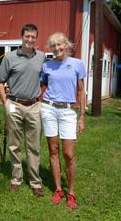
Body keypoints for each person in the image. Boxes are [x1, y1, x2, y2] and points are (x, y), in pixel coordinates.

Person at [0, 24, 46, 196]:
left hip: (34, 106)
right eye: (27, 36)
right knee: (14, 145)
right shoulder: (9, 57)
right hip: (15, 105)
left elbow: (45, 79)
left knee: (34, 147)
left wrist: (41, 99)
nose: (30, 40)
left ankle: (35, 182)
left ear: (36, 38)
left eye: (33, 37)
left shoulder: (41, 56)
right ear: (22, 37)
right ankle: (16, 178)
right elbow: (0, 82)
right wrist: (5, 104)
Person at [40, 33, 86, 209]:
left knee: (68, 154)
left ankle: (71, 192)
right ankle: (58, 189)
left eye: (59, 45)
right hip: (49, 109)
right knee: (53, 149)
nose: (57, 48)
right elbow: (41, 85)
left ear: (66, 45)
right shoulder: (47, 65)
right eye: (53, 46)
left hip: (68, 111)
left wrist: (82, 116)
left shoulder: (77, 64)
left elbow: (81, 92)